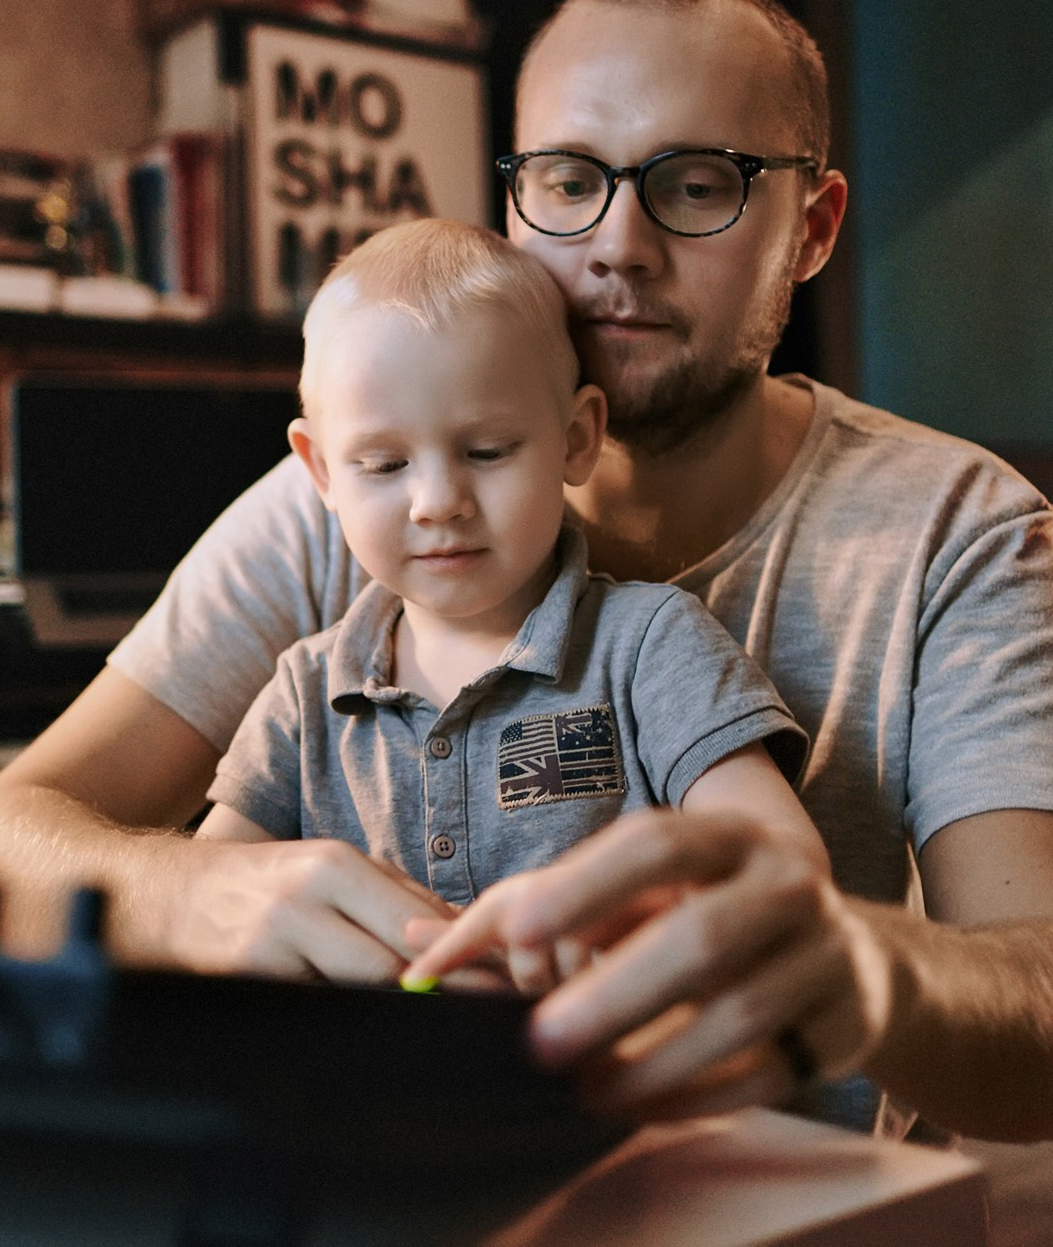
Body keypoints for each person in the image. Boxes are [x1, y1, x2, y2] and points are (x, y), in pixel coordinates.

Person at [0, 0, 1053, 1144]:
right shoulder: (356, 502)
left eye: (694, 183)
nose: (615, 244)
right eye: (568, 179)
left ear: (812, 227)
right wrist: (196, 894)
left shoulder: (956, 535)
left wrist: (861, 972)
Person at [197, 217, 823, 935]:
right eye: (385, 465)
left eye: (488, 451)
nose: (438, 504)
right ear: (322, 472)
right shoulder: (303, 698)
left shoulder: (649, 648)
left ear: (577, 439)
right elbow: (210, 903)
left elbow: (782, 864)